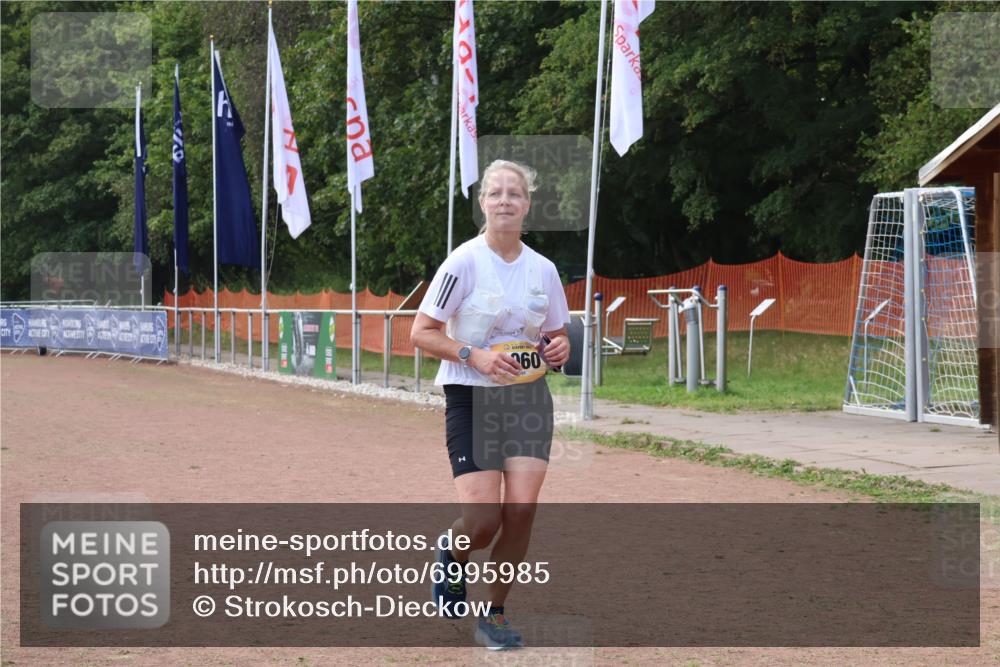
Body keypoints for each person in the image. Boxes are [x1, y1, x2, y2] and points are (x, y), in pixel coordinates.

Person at [410, 159, 570, 650]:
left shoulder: (543, 269)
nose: (505, 201)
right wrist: (472, 355)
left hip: (527, 400)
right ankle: (452, 552)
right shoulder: (462, 262)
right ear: (483, 203)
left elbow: (557, 335)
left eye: (514, 194)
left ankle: (494, 614)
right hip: (471, 398)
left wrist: (561, 349)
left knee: (521, 512)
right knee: (483, 524)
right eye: (496, 193)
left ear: (527, 204)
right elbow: (421, 332)